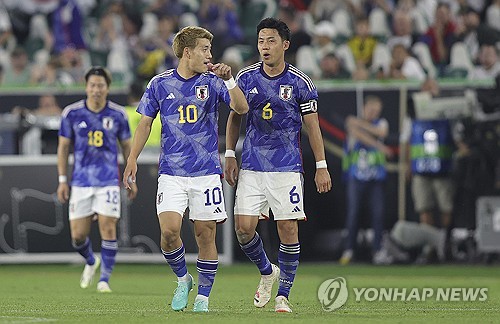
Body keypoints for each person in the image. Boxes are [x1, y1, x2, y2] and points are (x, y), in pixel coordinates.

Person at [122, 26, 248, 312]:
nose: (209, 55)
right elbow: (144, 124)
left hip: (206, 174)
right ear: (187, 52)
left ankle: (203, 297)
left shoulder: (214, 82)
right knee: (168, 232)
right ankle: (183, 278)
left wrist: (229, 80)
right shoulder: (159, 83)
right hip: (172, 173)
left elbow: (241, 109)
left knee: (205, 234)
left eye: (210, 50)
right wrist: (132, 159)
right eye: (204, 49)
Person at [224, 17, 332, 313]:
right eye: (260, 41)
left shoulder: (300, 82)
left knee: (288, 229)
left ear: (285, 45)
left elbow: (313, 127)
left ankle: (283, 294)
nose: (264, 47)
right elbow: (235, 116)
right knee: (244, 229)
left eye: (271, 41)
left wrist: (321, 165)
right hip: (253, 166)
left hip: (287, 167)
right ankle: (267, 271)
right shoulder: (246, 78)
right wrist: (230, 154)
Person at [57, 66, 138, 293]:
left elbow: (126, 147)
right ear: (86, 87)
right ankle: (91, 261)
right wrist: (63, 179)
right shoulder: (71, 114)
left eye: (100, 85)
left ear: (108, 88)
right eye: (92, 85)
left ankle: (104, 279)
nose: (96, 90)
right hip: (81, 182)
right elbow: (63, 148)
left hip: (108, 180)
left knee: (108, 228)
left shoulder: (118, 115)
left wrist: (130, 177)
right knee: (78, 236)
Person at [339, 95, 392, 265]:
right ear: (364, 108)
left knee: (378, 214)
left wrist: (358, 124)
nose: (373, 113)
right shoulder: (354, 123)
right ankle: (349, 249)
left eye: (377, 111)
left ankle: (377, 250)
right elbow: (355, 132)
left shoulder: (381, 123)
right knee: (353, 214)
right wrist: (379, 146)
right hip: (356, 177)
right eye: (371, 109)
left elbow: (381, 132)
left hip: (376, 177)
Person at [400, 79, 455, 232]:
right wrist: (407, 165)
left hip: (443, 168)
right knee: (424, 207)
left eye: (432, 87)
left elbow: (455, 137)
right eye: (426, 87)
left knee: (446, 206)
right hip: (420, 169)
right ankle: (430, 246)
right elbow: (407, 140)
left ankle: (445, 243)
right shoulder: (412, 114)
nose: (429, 91)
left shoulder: (447, 111)